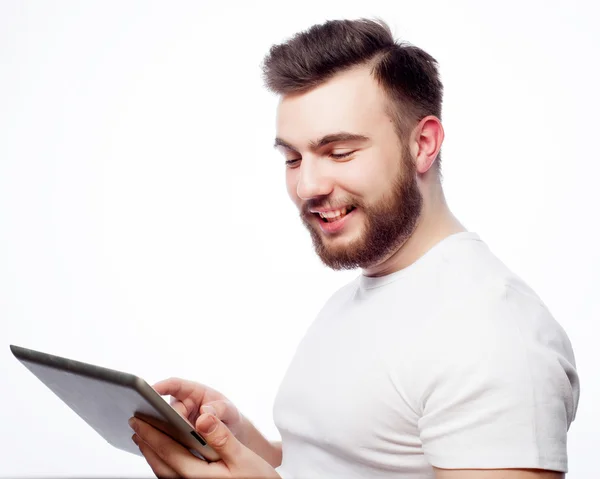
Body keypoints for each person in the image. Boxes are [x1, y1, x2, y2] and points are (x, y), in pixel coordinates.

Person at [128, 18, 580, 479]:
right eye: (292, 158)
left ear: (423, 144)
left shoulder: (494, 335)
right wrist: (244, 443)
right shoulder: (362, 295)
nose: (307, 185)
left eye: (340, 153)